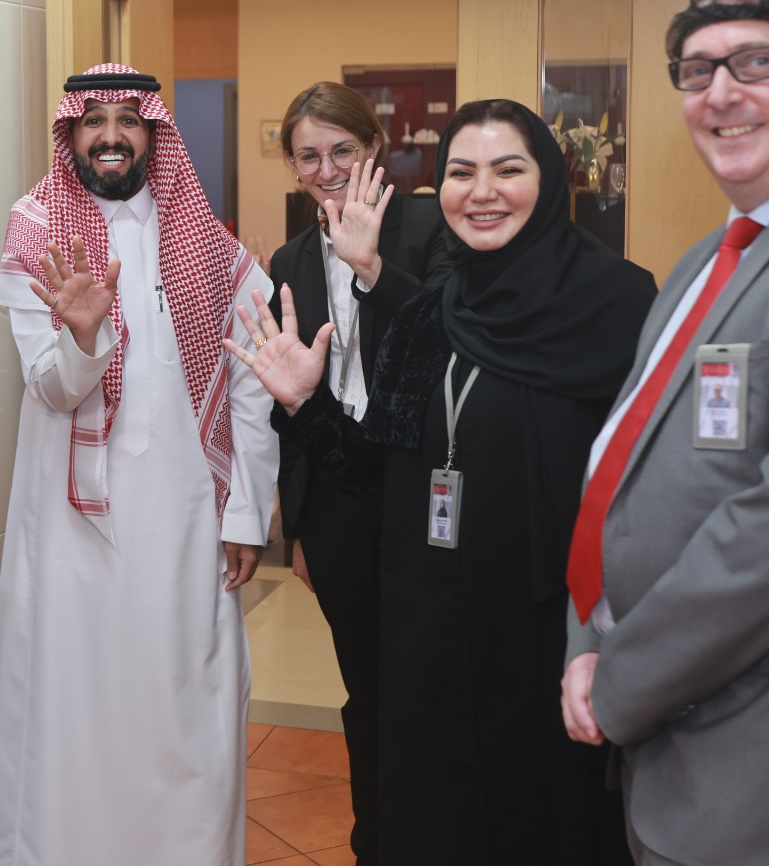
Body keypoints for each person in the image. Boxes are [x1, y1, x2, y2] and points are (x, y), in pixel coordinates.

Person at [232, 98, 653, 865]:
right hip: (428, 629)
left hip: (544, 626)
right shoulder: (430, 317)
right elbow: (376, 473)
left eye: (507, 169)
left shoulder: (615, 302)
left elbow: (642, 485)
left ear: (548, 179)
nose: (481, 191)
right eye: (462, 172)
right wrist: (306, 403)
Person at [561, 0, 769, 864]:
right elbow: (624, 464)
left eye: (755, 61)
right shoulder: (709, 257)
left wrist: (623, 676)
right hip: (683, 736)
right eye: (697, 71)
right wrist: (588, 632)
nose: (720, 93)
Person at [0, 63, 279, 866]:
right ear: (70, 132)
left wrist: (245, 511)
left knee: (186, 709)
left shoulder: (204, 240)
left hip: (185, 524)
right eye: (93, 121)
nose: (110, 136)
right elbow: (50, 387)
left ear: (154, 132)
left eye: (127, 120)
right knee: (70, 708)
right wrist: (84, 338)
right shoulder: (35, 227)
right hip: (70, 538)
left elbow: (255, 374)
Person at [267, 81, 451, 864]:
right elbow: (289, 403)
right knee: (366, 686)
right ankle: (376, 841)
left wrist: (371, 268)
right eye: (308, 156)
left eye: (342, 150)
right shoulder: (289, 259)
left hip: (422, 486)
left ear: (375, 147)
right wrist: (299, 524)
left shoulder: (430, 226)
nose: (327, 170)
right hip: (339, 495)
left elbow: (451, 342)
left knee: (428, 680)